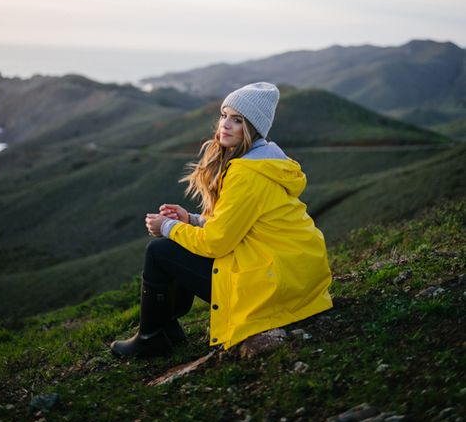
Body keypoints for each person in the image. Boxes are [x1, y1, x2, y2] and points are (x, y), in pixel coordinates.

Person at [111, 82, 332, 358]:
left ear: (252, 128)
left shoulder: (246, 174)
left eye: (237, 120)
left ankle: (151, 337)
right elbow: (239, 223)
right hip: (293, 277)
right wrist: (191, 219)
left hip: (272, 284)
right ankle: (167, 329)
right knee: (176, 245)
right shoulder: (265, 162)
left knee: (160, 251)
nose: (225, 125)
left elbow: (216, 243)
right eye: (224, 115)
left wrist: (167, 227)